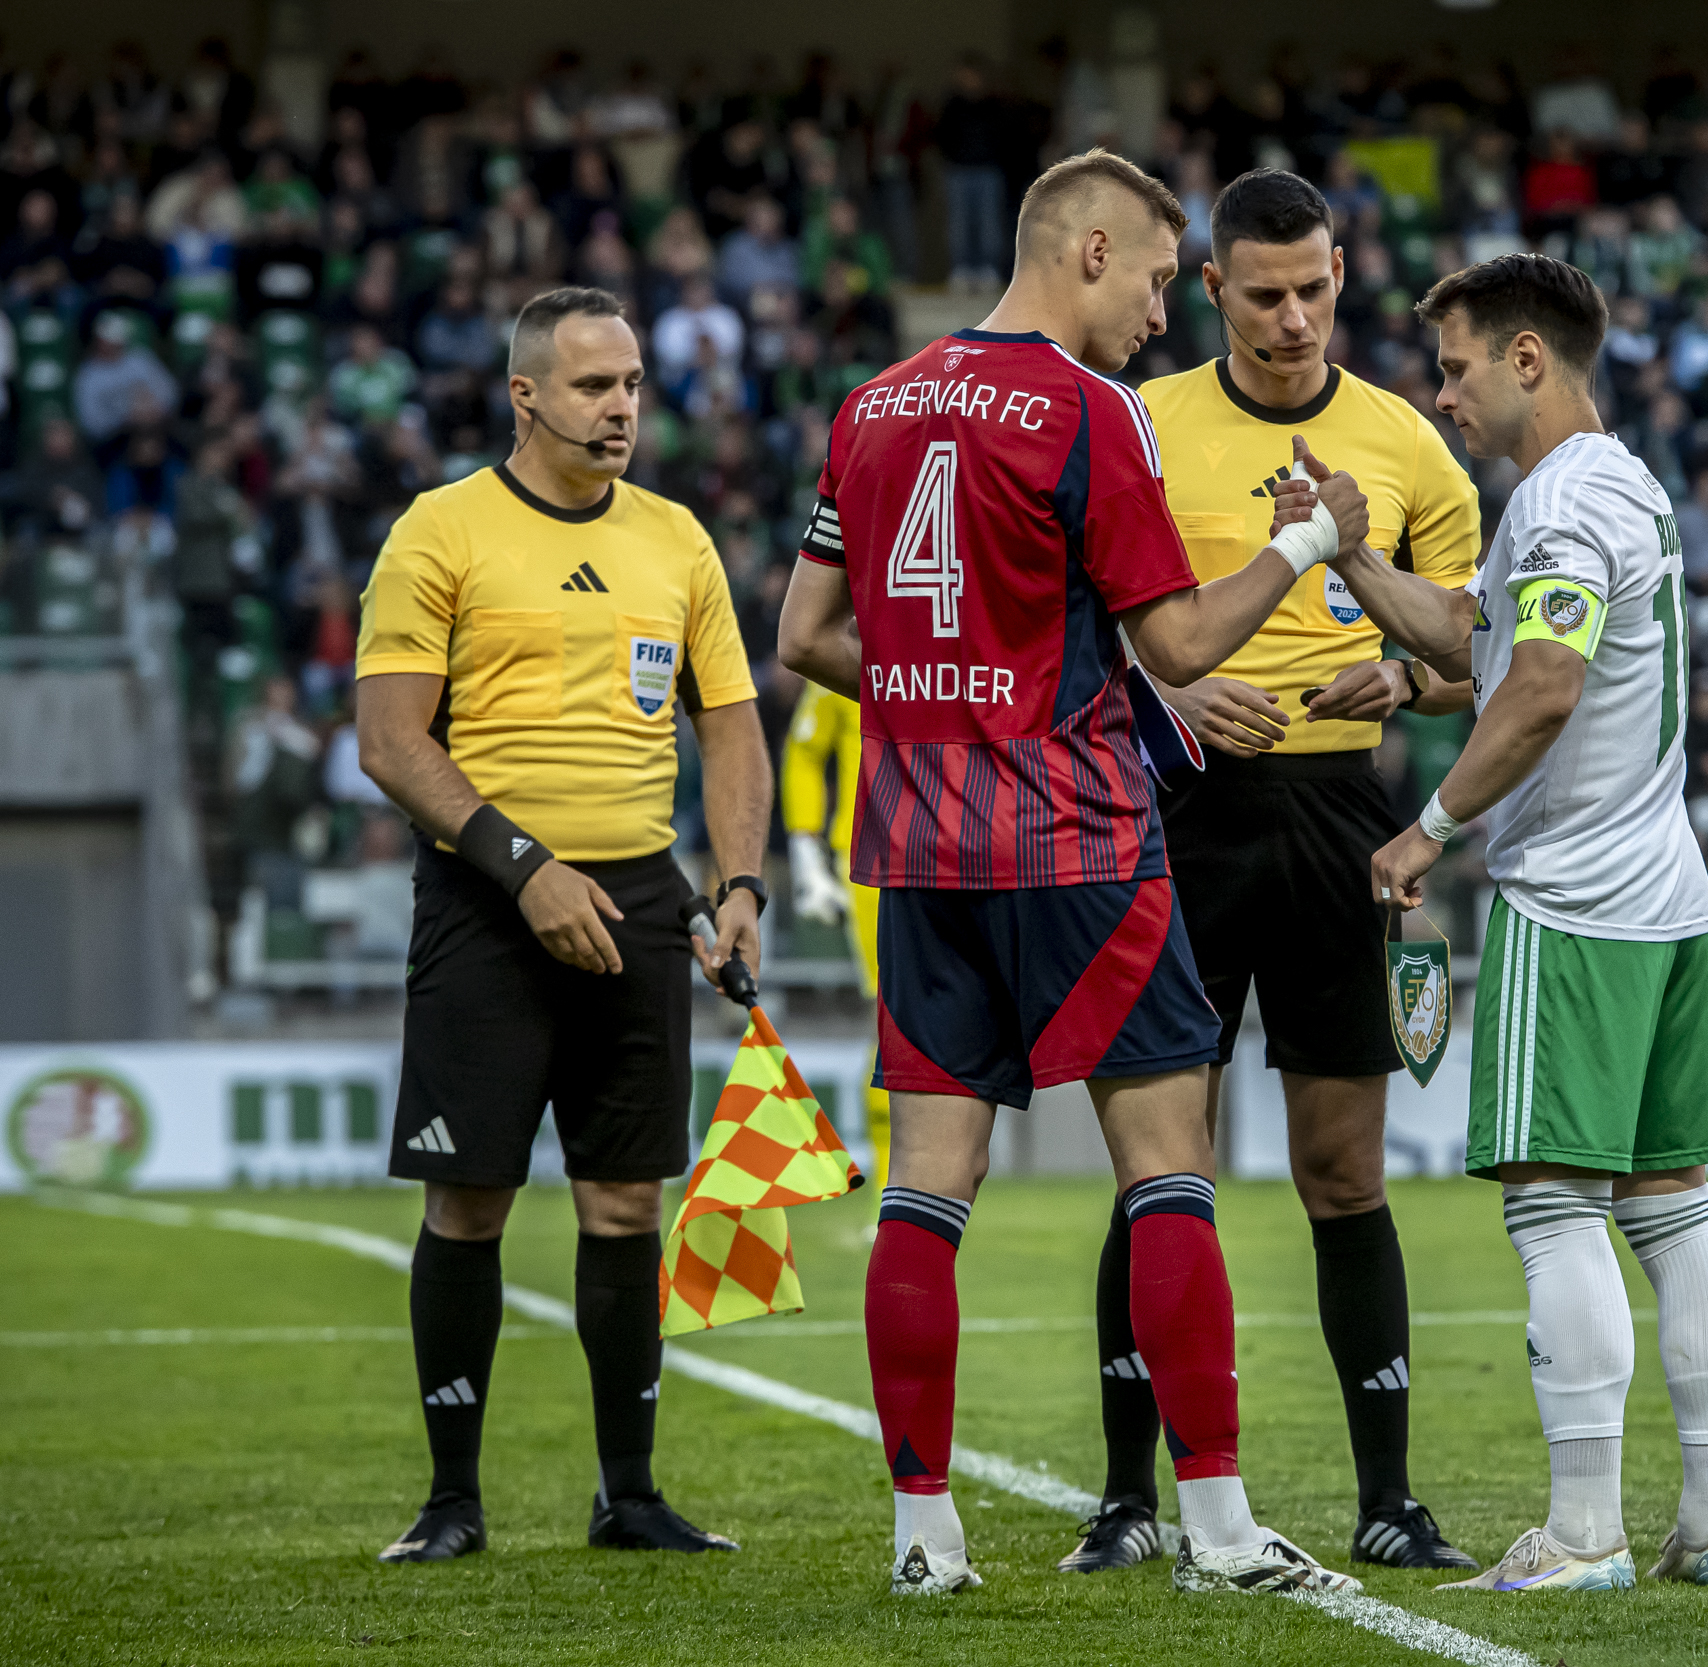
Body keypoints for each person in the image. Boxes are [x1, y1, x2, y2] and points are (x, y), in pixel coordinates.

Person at [775, 149, 1370, 1598]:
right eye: (1159, 279)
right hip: (1078, 838)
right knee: (1167, 1163)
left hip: (921, 846)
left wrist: (945, 701)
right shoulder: (1088, 410)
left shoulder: (870, 405)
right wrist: (1308, 539)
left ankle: (924, 1536)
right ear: (1090, 251)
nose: (1163, 314)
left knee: (927, 1186)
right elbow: (1179, 644)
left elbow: (803, 634)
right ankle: (1218, 1528)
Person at [1058, 166, 1481, 1579]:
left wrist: (1404, 679)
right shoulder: (1142, 421)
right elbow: (1077, 622)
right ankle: (1126, 1497)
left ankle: (1390, 1498)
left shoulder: (1406, 443)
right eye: (1262, 295)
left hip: (1339, 817)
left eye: (1312, 290)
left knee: (1342, 1167)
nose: (1293, 318)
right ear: (1210, 289)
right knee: (1159, 1165)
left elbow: (1476, 646)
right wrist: (1166, 693)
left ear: (1341, 272)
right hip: (1173, 811)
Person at [1330, 253, 1708, 1594]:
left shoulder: (1561, 499)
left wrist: (1426, 828)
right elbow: (1475, 637)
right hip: (1666, 891)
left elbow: (1544, 683)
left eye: (1457, 366)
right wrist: (1355, 559)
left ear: (1528, 358)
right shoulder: (1617, 484)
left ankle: (1582, 1533)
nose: (1443, 393)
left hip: (1574, 899)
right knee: (1672, 1212)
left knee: (1551, 1208)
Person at [355, 286, 773, 1563]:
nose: (622, 407)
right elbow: (389, 740)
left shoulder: (677, 539)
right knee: (470, 1201)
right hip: (487, 896)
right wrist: (523, 864)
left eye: (633, 383)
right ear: (525, 395)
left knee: (626, 1204)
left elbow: (729, 727)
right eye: (594, 386)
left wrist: (739, 886)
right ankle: (451, 1499)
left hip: (640, 897)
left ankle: (628, 1495)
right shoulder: (441, 529)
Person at [779, 681, 890, 1186]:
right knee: (894, 1022)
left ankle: (925, 1194)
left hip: (963, 854)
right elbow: (805, 749)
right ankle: (893, 1199)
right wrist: (807, 855)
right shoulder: (855, 649)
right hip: (874, 860)